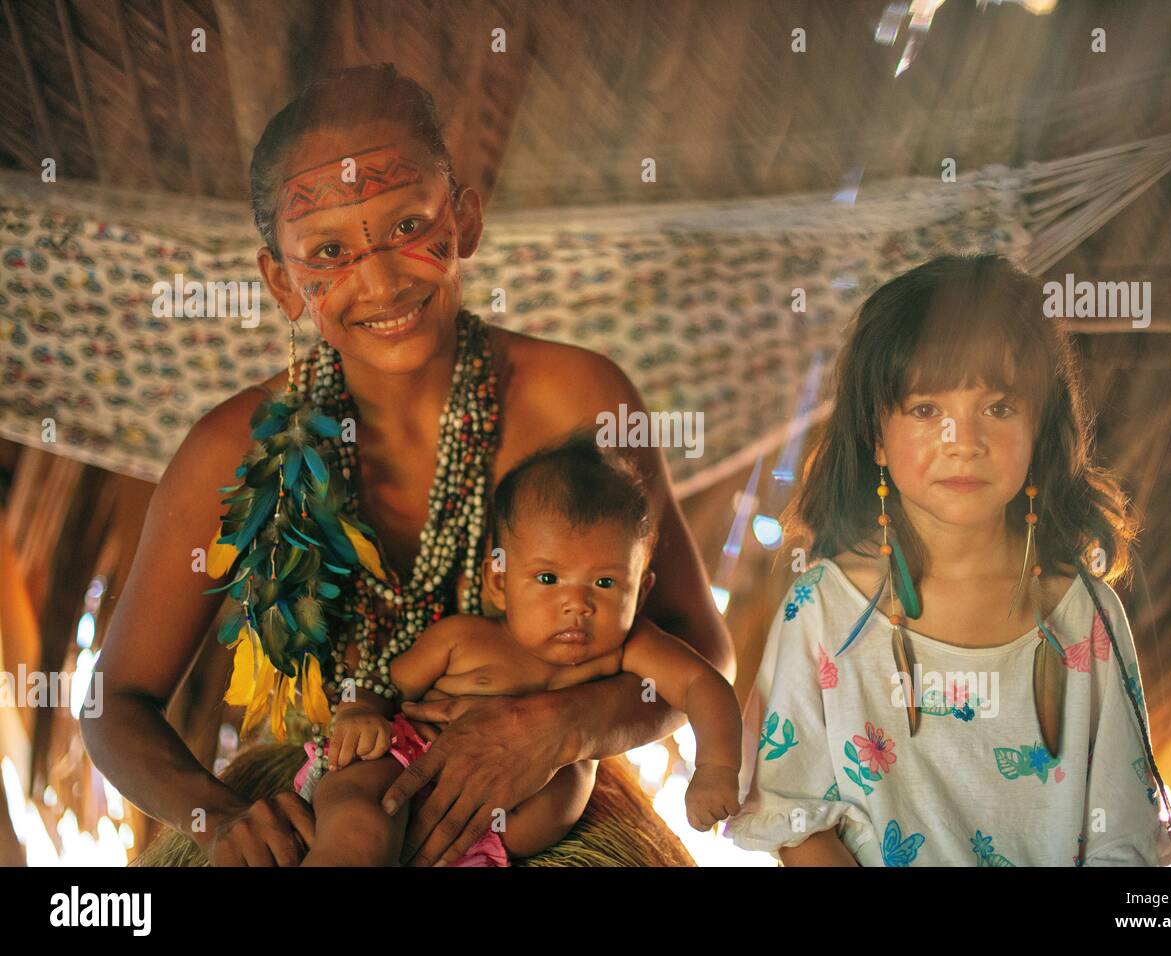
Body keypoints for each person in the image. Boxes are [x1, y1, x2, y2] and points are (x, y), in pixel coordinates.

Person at [81, 63, 733, 867]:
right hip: (338, 801)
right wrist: (222, 819)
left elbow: (706, 652)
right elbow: (116, 701)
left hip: (538, 801)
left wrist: (564, 725)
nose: (383, 280)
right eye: (330, 251)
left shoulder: (577, 399)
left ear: (463, 220)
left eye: (405, 228)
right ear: (283, 283)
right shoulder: (232, 447)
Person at [726, 255, 1171, 866]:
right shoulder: (823, 614)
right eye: (926, 410)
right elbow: (796, 818)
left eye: (998, 407)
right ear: (876, 436)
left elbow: (1122, 840)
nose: (962, 442)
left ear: (1039, 429)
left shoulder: (1085, 618)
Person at [298, 435, 742, 865]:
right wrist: (359, 712)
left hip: (493, 847)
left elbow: (704, 682)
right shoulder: (464, 639)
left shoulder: (629, 649)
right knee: (360, 828)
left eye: (605, 583)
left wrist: (716, 768)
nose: (577, 603)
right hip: (403, 773)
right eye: (548, 578)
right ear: (498, 583)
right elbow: (381, 681)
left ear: (641, 592)